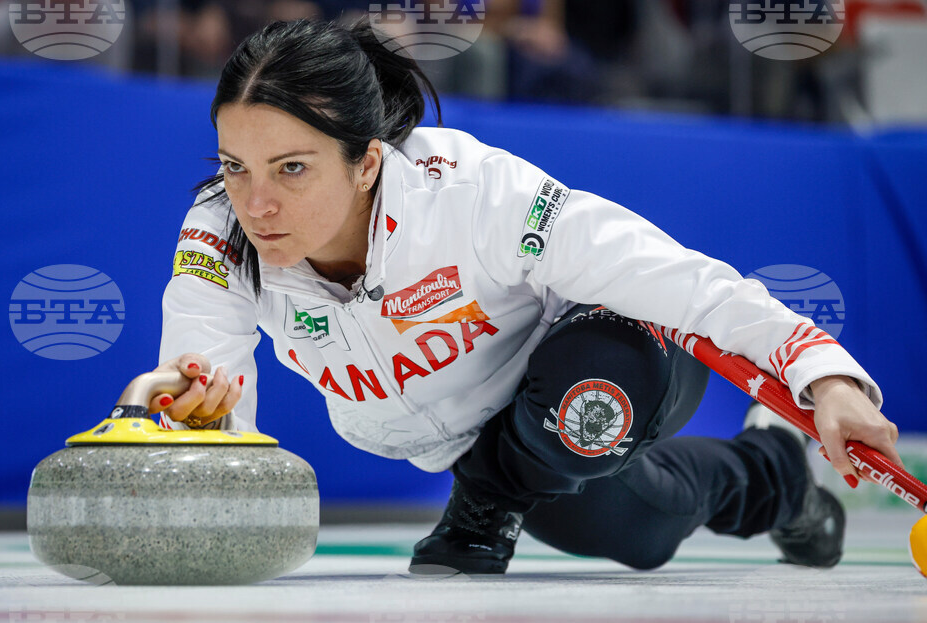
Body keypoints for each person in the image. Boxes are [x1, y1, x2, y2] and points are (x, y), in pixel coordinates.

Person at [151, 17, 903, 575]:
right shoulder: (221, 229)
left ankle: (487, 500)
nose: (256, 203)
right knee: (640, 530)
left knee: (594, 388)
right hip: (491, 435)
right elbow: (203, 369)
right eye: (234, 165)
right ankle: (779, 473)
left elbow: (677, 279)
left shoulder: (475, 195)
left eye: (290, 168)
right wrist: (192, 432)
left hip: (613, 351)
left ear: (367, 163)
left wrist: (825, 376)